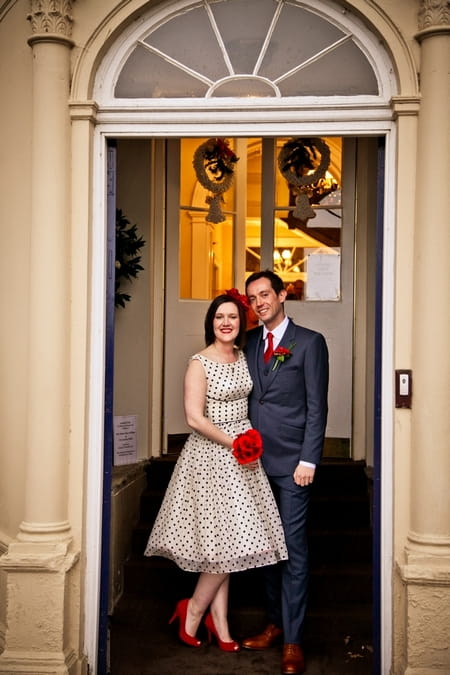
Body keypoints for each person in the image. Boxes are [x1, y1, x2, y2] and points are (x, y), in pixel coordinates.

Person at [144, 292, 288, 652]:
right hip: (212, 457)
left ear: (242, 324)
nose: (226, 322)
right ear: (210, 322)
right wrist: (234, 442)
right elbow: (194, 418)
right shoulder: (199, 362)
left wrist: (248, 442)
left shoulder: (242, 356)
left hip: (244, 458)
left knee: (228, 542)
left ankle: (219, 623)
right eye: (220, 317)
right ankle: (193, 610)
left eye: (233, 318)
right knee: (225, 542)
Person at [242, 270, 329, 675]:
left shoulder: (310, 343)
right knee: (264, 550)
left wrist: (309, 460)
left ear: (281, 295)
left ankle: (293, 640)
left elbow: (316, 407)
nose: (259, 302)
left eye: (265, 294)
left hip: (294, 465)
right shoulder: (250, 342)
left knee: (293, 550)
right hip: (253, 464)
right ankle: (275, 623)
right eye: (252, 298)